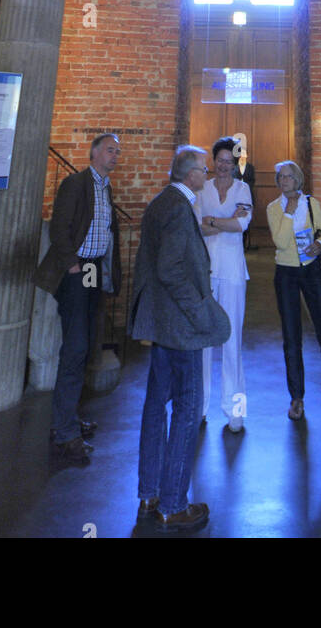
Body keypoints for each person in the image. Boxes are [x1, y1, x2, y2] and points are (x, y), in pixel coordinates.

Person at [130, 145, 231, 534]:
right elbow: (170, 269)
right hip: (180, 328)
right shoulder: (176, 206)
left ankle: (150, 492)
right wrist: (199, 312)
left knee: (156, 405)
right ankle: (173, 504)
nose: (207, 175)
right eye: (204, 170)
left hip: (162, 325)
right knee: (187, 411)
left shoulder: (161, 201)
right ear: (190, 174)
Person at [35, 132, 122, 465]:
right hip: (76, 271)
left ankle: (67, 419)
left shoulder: (105, 188)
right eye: (111, 150)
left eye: (118, 152)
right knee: (74, 348)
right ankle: (65, 433)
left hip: (93, 270)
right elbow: (60, 228)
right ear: (95, 153)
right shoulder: (75, 184)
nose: (116, 156)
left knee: (85, 345)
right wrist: (72, 264)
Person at [267, 160, 321, 423]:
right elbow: (281, 242)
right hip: (286, 275)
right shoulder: (274, 208)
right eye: (280, 177)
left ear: (298, 179)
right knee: (292, 338)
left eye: (289, 176)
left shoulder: (310, 203)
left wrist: (319, 243)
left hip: (312, 272)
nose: (285, 181)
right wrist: (288, 212)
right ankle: (296, 398)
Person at [198, 136, 252, 431]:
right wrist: (225, 221)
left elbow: (240, 226)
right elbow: (197, 227)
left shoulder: (243, 188)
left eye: (229, 162)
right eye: (219, 160)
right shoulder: (202, 189)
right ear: (213, 161)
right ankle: (200, 405)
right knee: (204, 338)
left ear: (235, 164)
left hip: (233, 270)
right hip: (205, 270)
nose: (223, 166)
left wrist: (214, 222)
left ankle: (236, 408)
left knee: (232, 339)